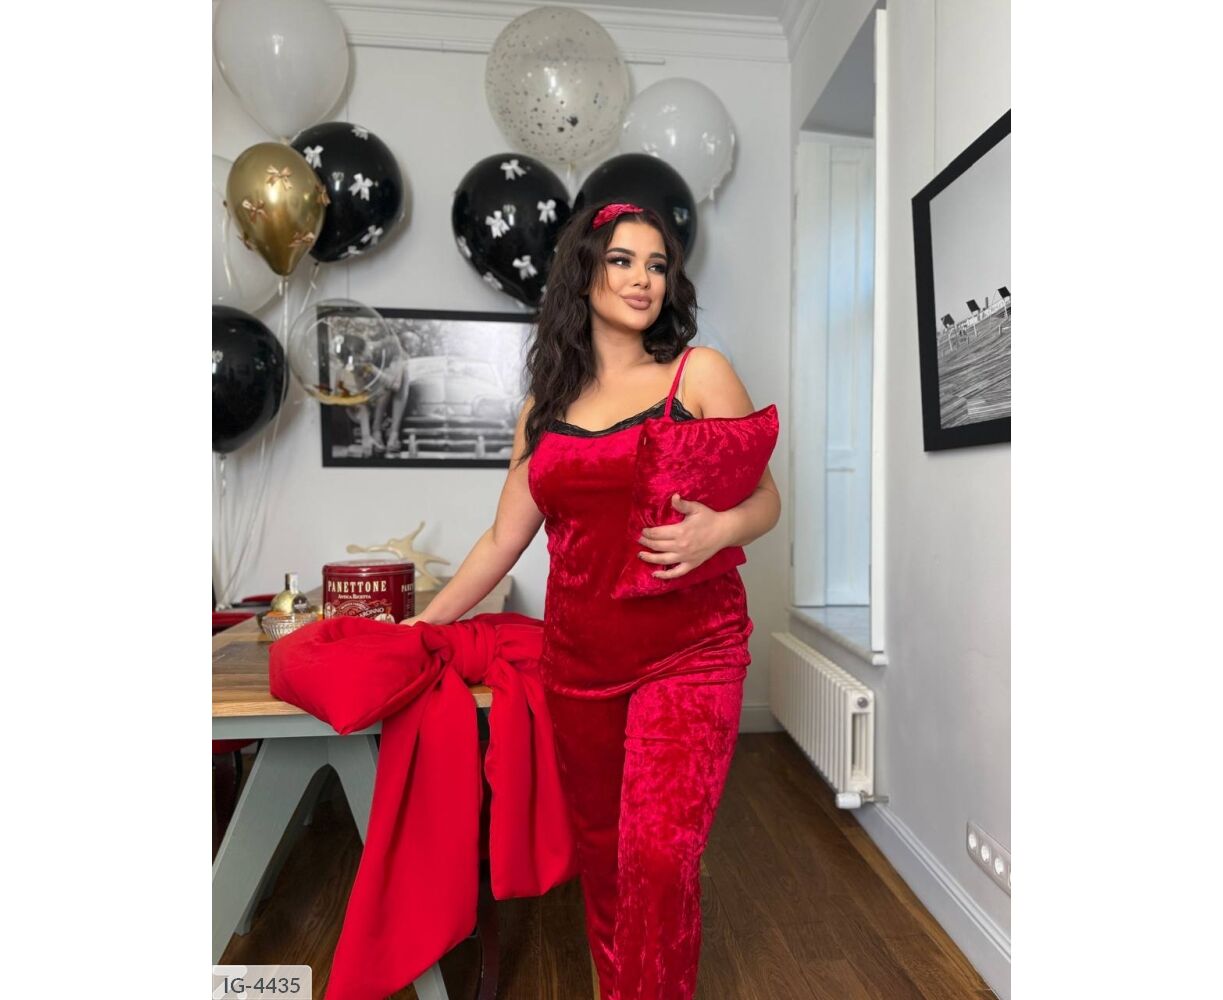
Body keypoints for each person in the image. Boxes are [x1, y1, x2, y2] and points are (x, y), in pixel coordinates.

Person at [400, 201, 781, 1000]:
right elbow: (501, 540)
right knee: (606, 861)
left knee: (658, 859)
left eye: (657, 265)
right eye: (622, 260)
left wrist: (717, 529)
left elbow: (765, 499)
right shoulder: (542, 411)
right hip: (580, 668)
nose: (643, 279)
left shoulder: (697, 374)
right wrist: (421, 625)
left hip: (691, 653)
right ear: (583, 274)